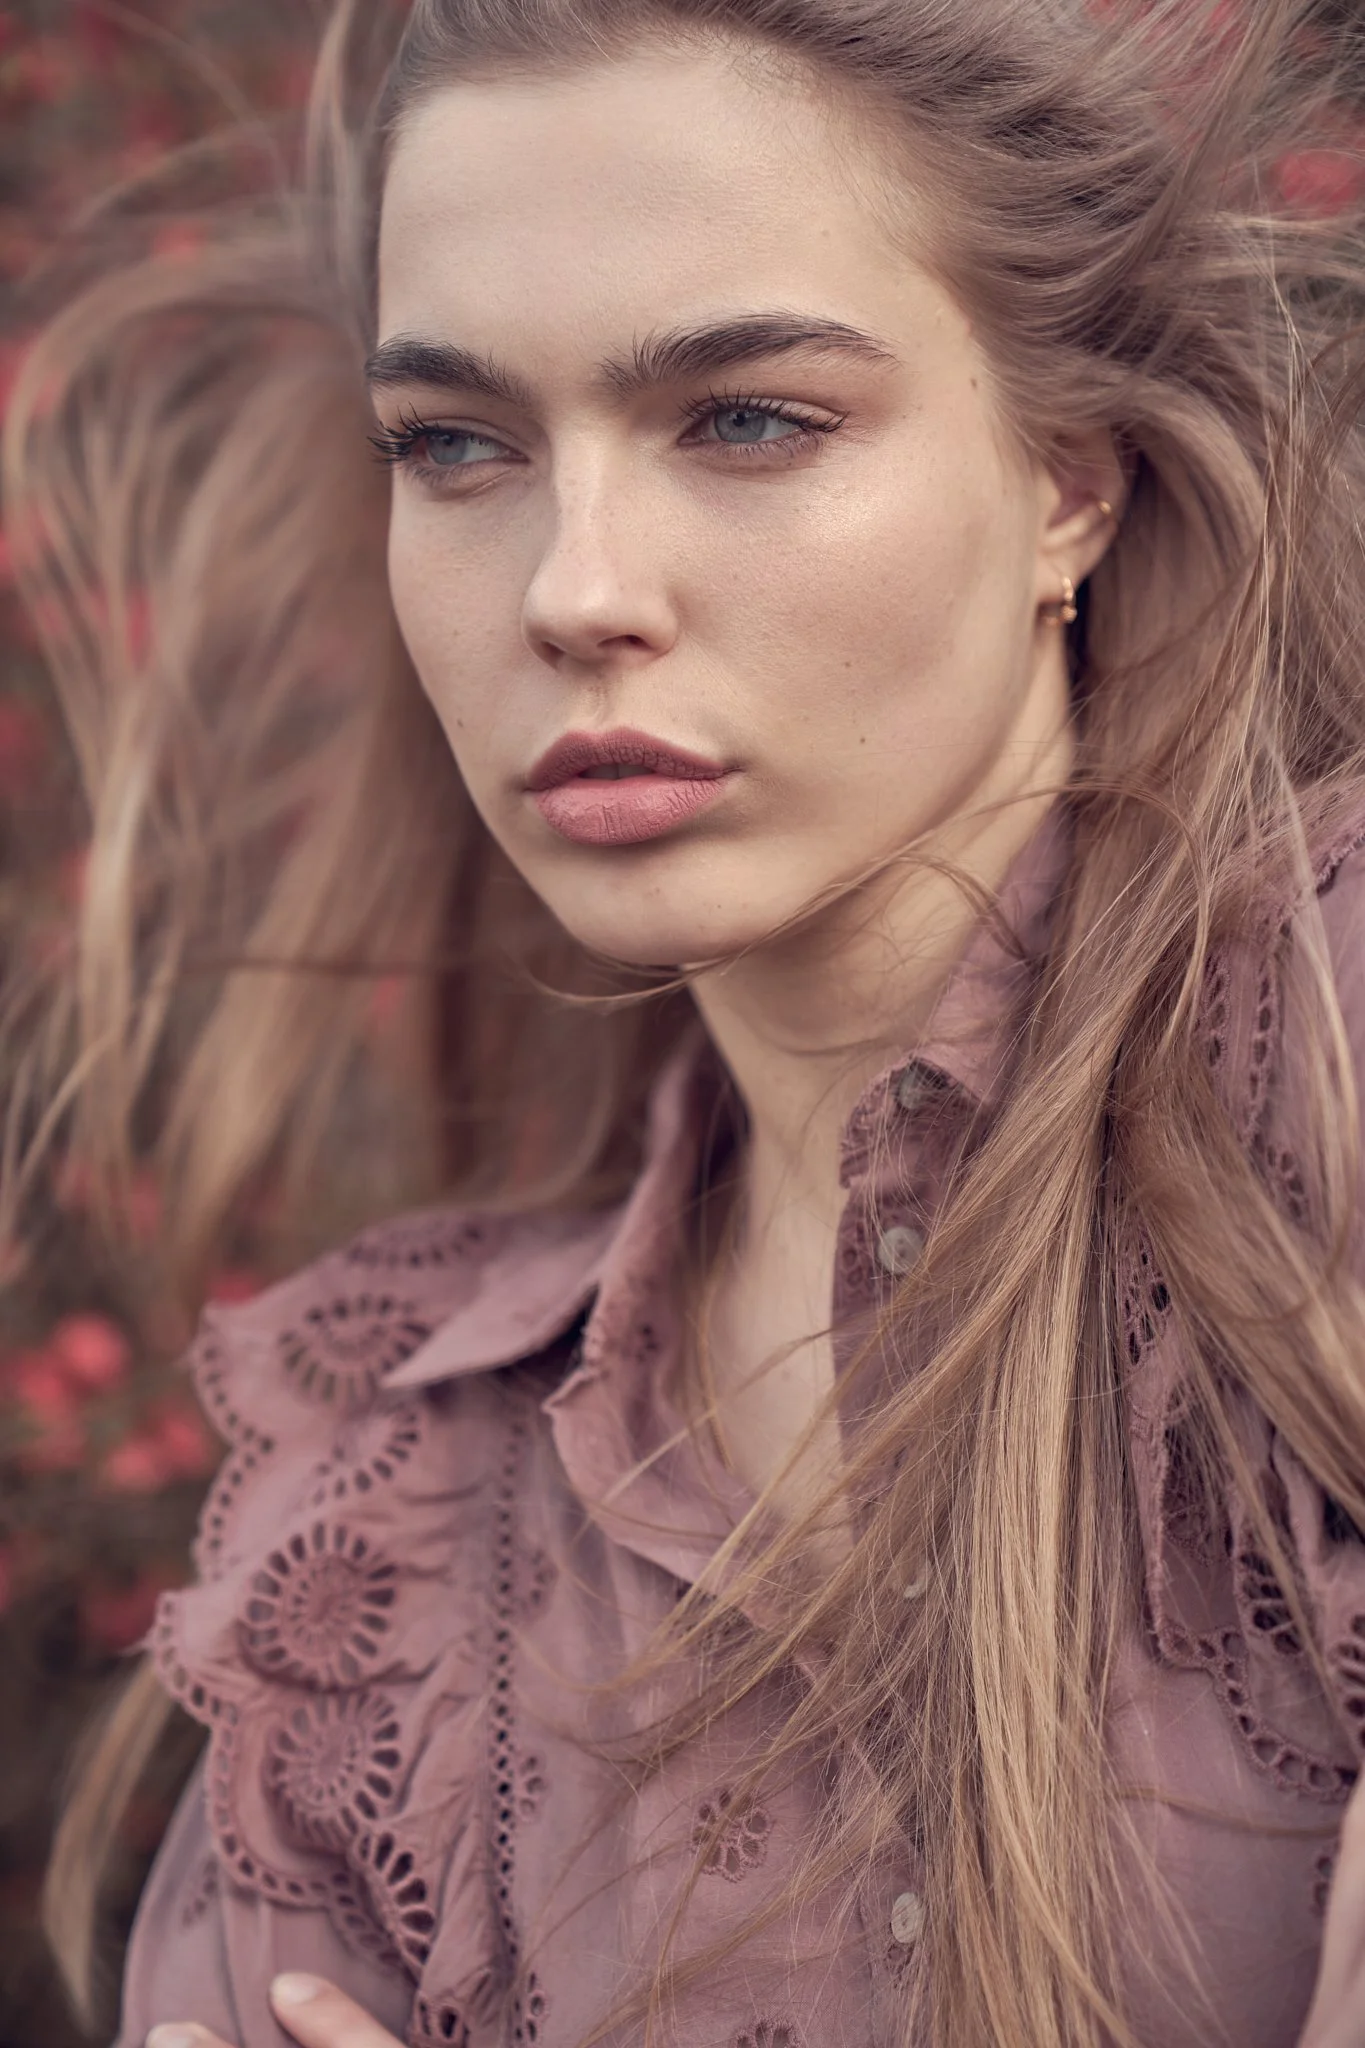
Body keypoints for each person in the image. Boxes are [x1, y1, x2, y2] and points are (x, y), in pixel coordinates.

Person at [9, 0, 1365, 2040]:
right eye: (454, 446)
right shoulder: (394, 1522)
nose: (572, 587)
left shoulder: (1334, 1083)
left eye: (747, 417)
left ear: (1067, 480)